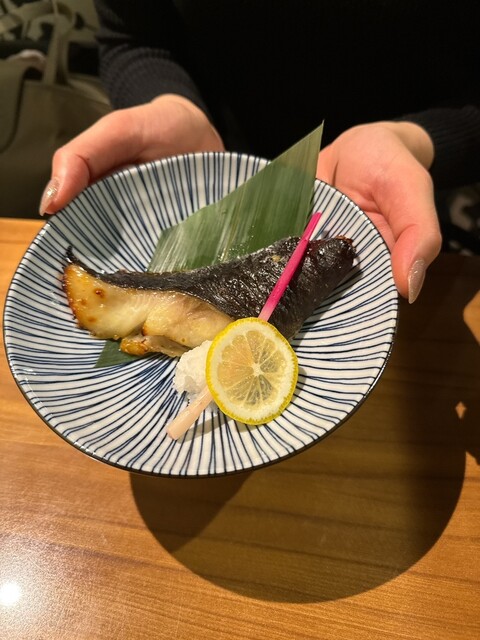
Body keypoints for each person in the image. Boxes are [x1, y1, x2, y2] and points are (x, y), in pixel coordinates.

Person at [39, 1, 480, 304]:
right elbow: (133, 37)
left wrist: (419, 140)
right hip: (211, 168)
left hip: (380, 196)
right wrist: (171, 101)